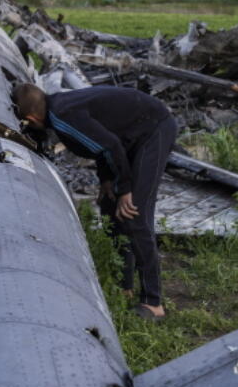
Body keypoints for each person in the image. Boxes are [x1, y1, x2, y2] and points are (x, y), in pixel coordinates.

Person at [11, 82, 177, 320]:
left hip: (153, 128)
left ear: (31, 117)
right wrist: (108, 181)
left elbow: (110, 145)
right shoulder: (59, 106)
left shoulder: (63, 118)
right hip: (130, 134)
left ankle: (153, 303)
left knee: (134, 213)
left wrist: (125, 189)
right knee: (110, 207)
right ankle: (125, 286)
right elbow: (100, 142)